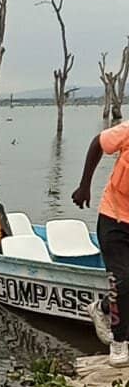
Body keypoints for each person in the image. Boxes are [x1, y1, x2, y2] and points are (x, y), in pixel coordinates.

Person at [73, 123, 129, 365]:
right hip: (113, 217)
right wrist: (85, 185)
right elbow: (98, 142)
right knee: (123, 280)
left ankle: (103, 308)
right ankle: (119, 344)